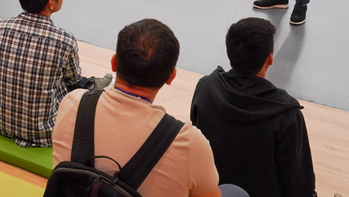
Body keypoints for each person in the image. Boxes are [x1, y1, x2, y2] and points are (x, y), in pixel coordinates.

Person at [54, 20, 247, 197]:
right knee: (235, 192)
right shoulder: (189, 142)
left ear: (113, 62)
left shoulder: (73, 103)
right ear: (171, 77)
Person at [0, 0, 111, 147]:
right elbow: (72, 81)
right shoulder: (64, 41)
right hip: (41, 133)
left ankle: (90, 85)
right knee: (70, 85)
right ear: (51, 3)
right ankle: (91, 85)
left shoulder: (1, 28)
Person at [190, 18, 317, 197]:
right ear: (270, 59)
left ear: (230, 52)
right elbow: (298, 183)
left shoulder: (205, 89)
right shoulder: (286, 114)